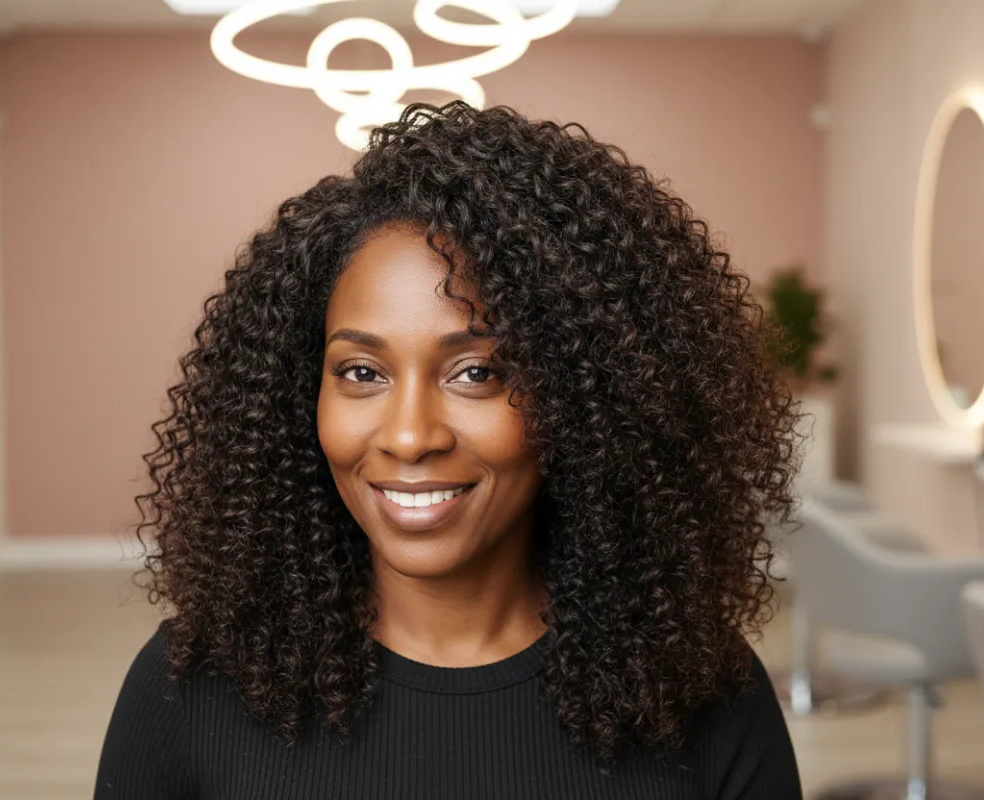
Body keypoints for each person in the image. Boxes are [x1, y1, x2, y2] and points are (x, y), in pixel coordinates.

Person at [95, 101, 803, 799]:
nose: (410, 436)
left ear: (591, 402)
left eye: (478, 373)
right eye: (362, 373)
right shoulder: (187, 696)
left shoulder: (706, 700)